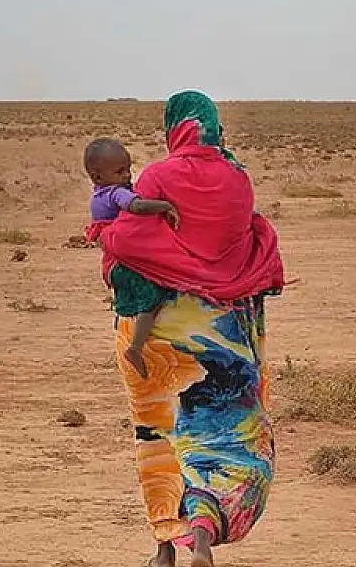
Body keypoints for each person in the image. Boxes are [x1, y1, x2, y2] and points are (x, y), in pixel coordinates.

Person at [99, 90, 285, 567]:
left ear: (174, 128)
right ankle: (202, 534)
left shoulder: (159, 175)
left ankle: (164, 548)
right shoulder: (238, 180)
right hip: (221, 331)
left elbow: (126, 240)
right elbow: (251, 240)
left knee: (158, 434)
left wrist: (107, 234)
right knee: (221, 434)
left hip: (158, 331)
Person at [82, 138, 179, 378]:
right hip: (123, 264)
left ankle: (129, 335)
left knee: (128, 305)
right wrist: (164, 205)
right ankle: (135, 348)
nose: (127, 175)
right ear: (97, 177)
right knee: (153, 297)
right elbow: (136, 207)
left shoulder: (99, 195)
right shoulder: (114, 194)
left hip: (112, 265)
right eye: (119, 171)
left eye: (128, 169)